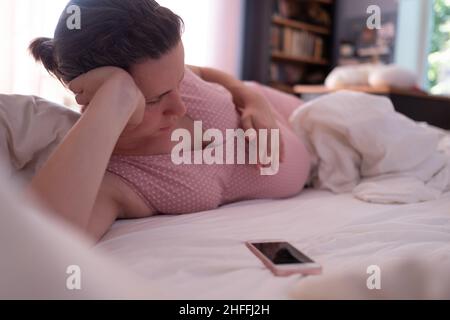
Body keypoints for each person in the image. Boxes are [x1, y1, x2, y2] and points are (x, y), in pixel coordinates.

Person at [28, 0, 311, 241]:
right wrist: (116, 93)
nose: (180, 105)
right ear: (96, 97)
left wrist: (251, 99)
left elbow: (205, 73)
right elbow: (38, 246)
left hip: (285, 109)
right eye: (155, 99)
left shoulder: (159, 71)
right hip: (314, 158)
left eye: (179, 81)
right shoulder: (116, 179)